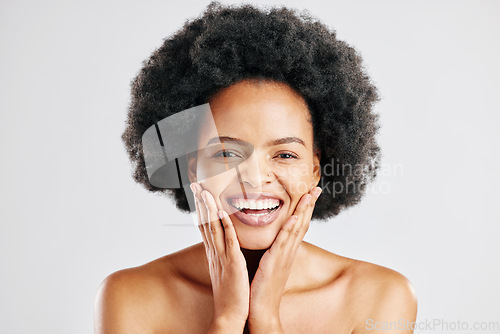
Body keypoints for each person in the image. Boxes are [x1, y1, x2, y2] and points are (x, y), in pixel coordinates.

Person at [94, 2, 417, 333]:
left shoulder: (378, 297)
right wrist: (227, 318)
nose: (255, 178)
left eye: (285, 155)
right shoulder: (131, 296)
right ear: (192, 170)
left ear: (315, 171)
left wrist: (265, 316)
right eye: (227, 153)